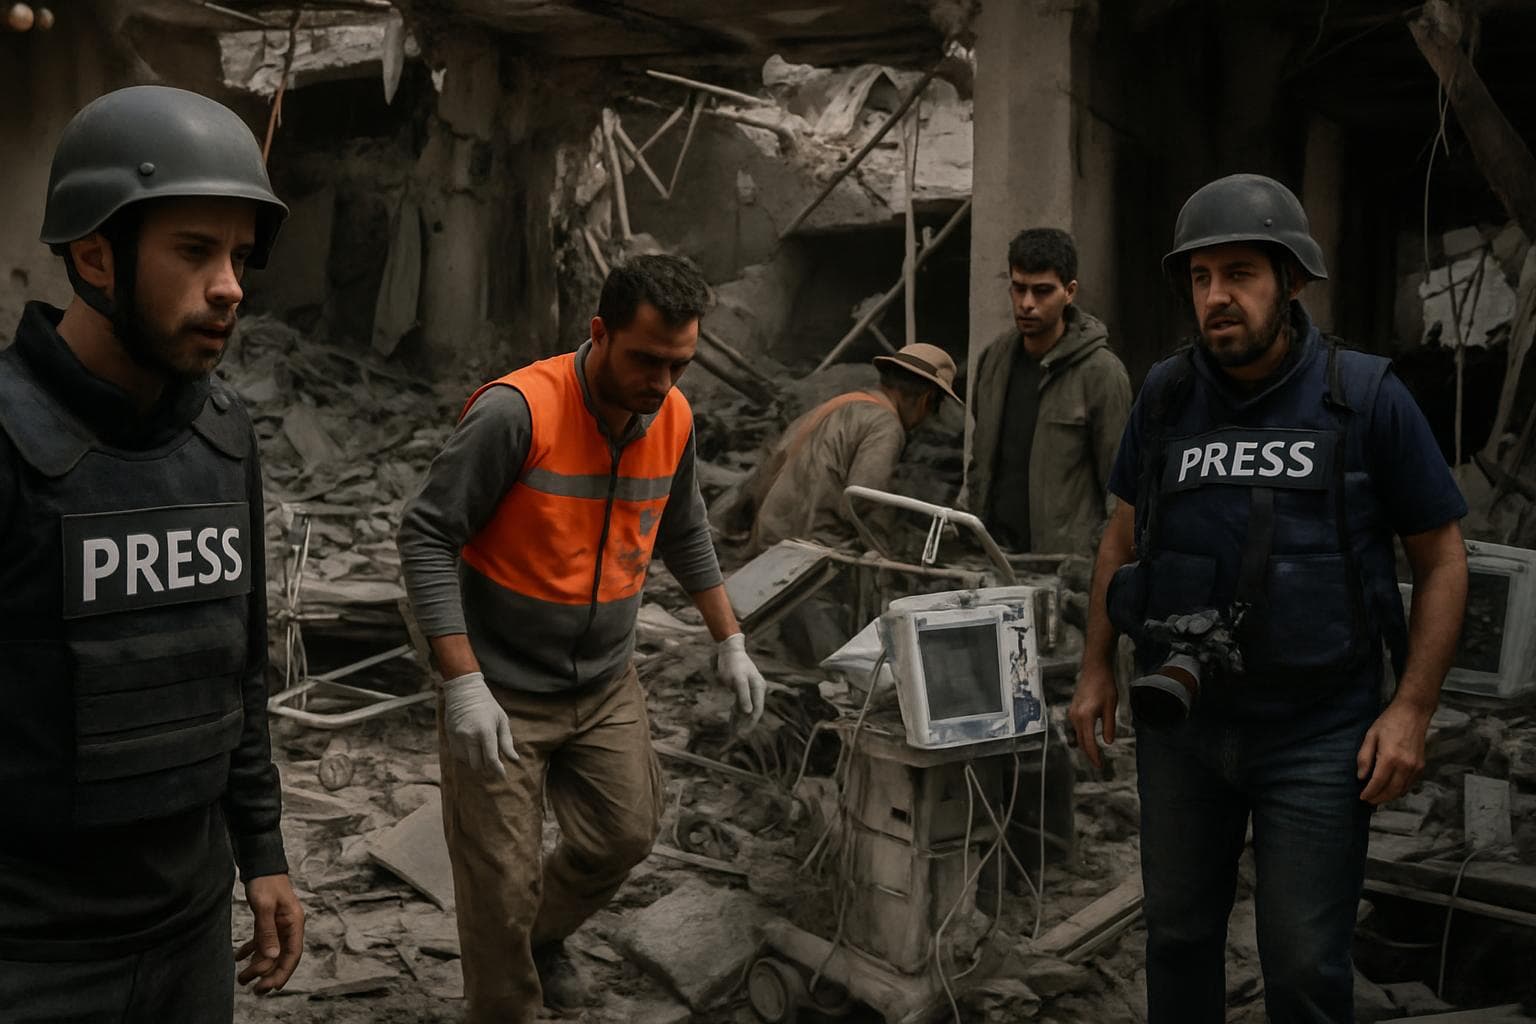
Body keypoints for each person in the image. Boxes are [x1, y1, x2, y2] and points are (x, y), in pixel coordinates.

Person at [1069, 173, 1469, 1023]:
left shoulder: (1365, 401)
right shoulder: (1166, 396)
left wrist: (1413, 710)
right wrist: (1095, 668)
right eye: (1202, 277)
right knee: (1176, 942)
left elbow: (1442, 561)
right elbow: (1121, 540)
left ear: (1291, 280)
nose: (1218, 297)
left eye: (1241, 273)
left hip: (1319, 733)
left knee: (1302, 968)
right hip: (1184, 725)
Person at [0, 86, 305, 1021]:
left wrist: (264, 850)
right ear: (95, 256)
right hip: (30, 952)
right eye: (194, 251)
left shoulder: (223, 435)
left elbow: (238, 667)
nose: (231, 286)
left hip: (188, 934)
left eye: (241, 257)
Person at [397, 254, 769, 1021]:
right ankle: (505, 1001)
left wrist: (730, 638)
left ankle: (541, 937)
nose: (661, 383)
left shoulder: (672, 419)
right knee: (499, 884)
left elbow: (685, 528)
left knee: (624, 836)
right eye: (645, 359)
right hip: (499, 687)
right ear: (599, 333)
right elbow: (427, 535)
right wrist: (462, 681)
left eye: (679, 364)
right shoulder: (518, 413)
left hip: (602, 684)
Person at [742, 342, 961, 664]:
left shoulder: (839, 404)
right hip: (810, 557)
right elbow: (861, 500)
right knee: (840, 662)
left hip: (772, 539)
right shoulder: (886, 425)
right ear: (927, 399)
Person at [966, 228, 1132, 555]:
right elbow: (980, 463)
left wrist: (1098, 569)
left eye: (1042, 291)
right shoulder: (994, 361)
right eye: (1019, 288)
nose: (1027, 303)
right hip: (994, 558)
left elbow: (1120, 492)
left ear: (1069, 292)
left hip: (1063, 567)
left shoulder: (1101, 373)